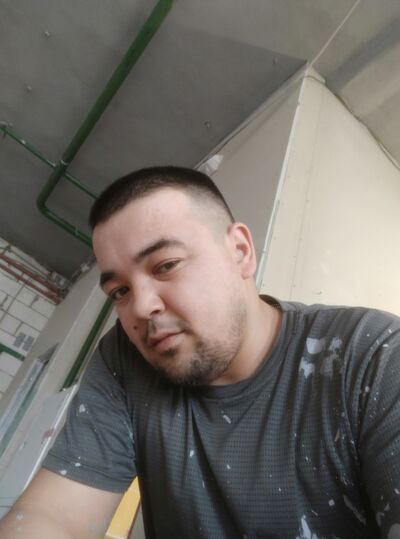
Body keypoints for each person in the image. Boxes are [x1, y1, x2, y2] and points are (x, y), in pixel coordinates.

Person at [1, 166, 399, 539]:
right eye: (120, 291)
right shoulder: (124, 358)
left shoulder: (373, 354)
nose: (141, 308)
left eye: (166, 265)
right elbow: (56, 515)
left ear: (240, 251)